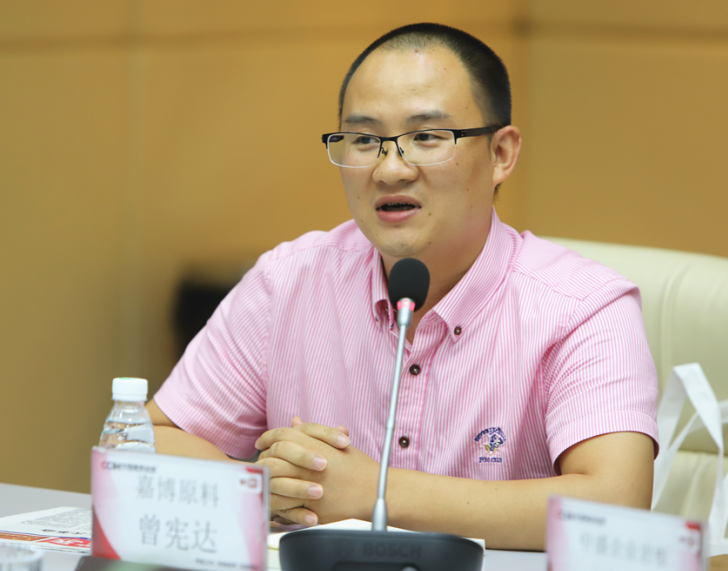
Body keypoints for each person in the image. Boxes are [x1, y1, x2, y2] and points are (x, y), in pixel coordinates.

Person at [147, 22, 659, 550]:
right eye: (364, 140)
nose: (390, 170)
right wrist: (265, 488)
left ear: (501, 154)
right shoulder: (289, 282)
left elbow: (615, 505)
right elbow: (146, 443)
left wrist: (372, 492)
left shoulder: (583, 307)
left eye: (426, 137)